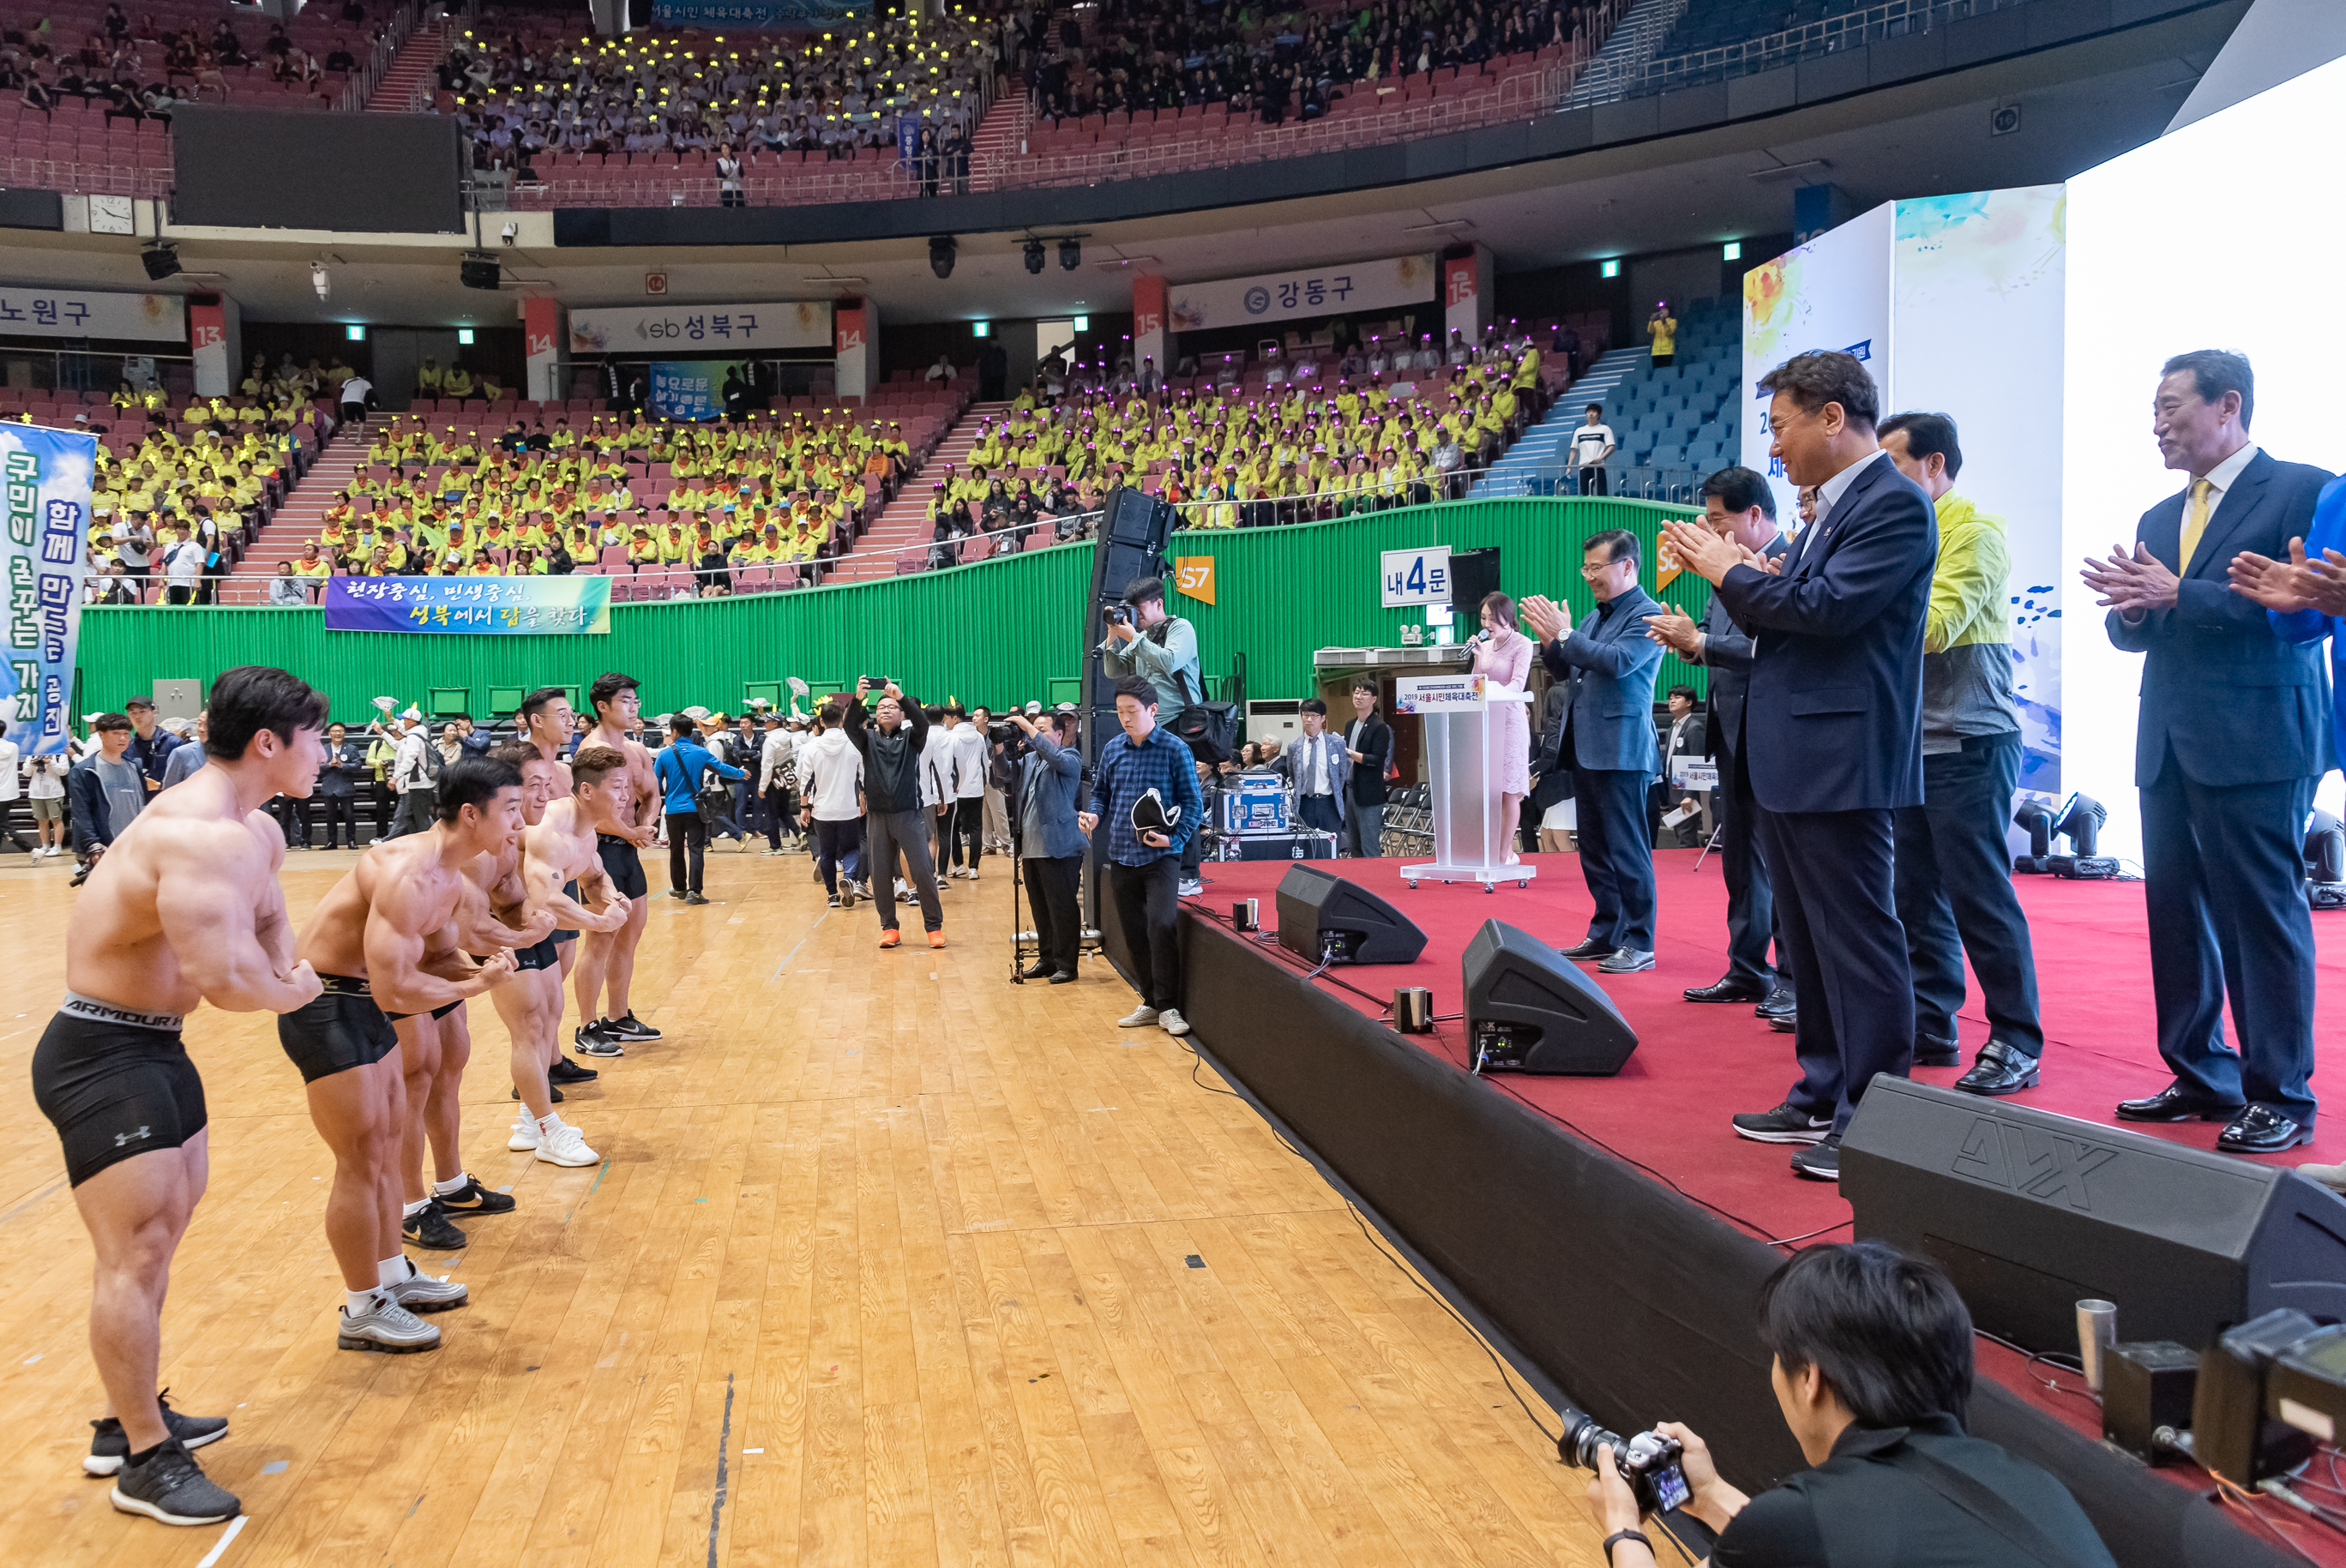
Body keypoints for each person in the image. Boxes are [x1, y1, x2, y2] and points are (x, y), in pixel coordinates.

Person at [32, 666, 327, 1527]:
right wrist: (293, 990)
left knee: (156, 1240)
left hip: (153, 1046)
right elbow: (228, 980)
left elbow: (267, 919)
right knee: (136, 1251)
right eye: (316, 735)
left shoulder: (253, 829)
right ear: (269, 742)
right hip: (101, 1052)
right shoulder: (202, 833)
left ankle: (127, 1421)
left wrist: (283, 961)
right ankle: (146, 1459)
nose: (326, 750)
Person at [1663, 350, 1937, 1181]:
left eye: (1780, 425)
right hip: (1798, 749)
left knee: (1857, 937)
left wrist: (1729, 570)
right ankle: (1823, 1086)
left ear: (1829, 416)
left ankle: (1875, 1113)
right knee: (1811, 940)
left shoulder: (1893, 505)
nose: (1774, 448)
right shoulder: (1830, 513)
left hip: (1843, 754)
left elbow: (1824, 611)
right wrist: (1748, 581)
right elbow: (1791, 618)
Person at [2080, 350, 2332, 1153]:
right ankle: (2201, 1070)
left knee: (2261, 916)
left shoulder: (2303, 488)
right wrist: (2127, 613)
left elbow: (2301, 609)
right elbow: (2148, 627)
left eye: (2169, 406)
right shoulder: (2160, 516)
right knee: (2176, 914)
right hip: (2169, 740)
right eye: (2153, 410)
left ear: (2228, 404)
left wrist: (2178, 594)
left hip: (2260, 737)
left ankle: (2281, 1092)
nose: (2157, 423)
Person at [1583, 1242, 2117, 1568]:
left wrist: (1622, 1528)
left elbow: (1802, 1536)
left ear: (1811, 1378)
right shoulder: (2036, 1485)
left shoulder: (1802, 1519)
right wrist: (1712, 1495)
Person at [280, 754, 520, 1357]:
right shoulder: (409, 872)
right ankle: (362, 1307)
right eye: (511, 810)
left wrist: (478, 967)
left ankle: (390, 1273)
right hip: (327, 1006)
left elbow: (437, 959)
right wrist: (474, 986)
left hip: (360, 1004)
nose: (519, 824)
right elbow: (395, 990)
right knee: (360, 1158)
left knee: (385, 1146)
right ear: (472, 813)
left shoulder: (450, 873)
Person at [1878, 411, 2045, 1096]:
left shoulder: (1974, 533)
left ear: (1935, 465)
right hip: (1912, 741)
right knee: (1914, 893)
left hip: (1971, 737)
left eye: (1892, 463)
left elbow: (1937, 627)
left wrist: (1856, 597)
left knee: (1978, 892)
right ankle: (1932, 1020)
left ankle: (2016, 1036)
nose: (1880, 477)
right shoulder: (1902, 531)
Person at [1645, 467, 1795, 1018]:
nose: (1709, 533)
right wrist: (1691, 646)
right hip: (1731, 729)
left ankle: (1791, 981)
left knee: (1783, 865)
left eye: (1717, 521)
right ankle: (1747, 969)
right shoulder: (1722, 571)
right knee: (1741, 861)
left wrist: (1702, 642)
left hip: (1775, 729)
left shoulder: (1789, 560)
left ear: (1755, 515)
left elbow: (1772, 650)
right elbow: (1720, 644)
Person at [1524, 531, 1667, 972]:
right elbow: (1566, 667)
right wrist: (1551, 641)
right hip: (1586, 747)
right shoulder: (1593, 617)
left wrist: (1565, 632)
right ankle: (1606, 932)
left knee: (1627, 849)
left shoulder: (1647, 613)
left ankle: (1640, 941)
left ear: (1627, 566)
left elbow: (1618, 662)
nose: (1588, 577)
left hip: (1622, 749)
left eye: (1596, 568)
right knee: (1595, 850)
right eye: (1585, 568)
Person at [488, 742, 627, 1169]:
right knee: (528, 1025)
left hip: (527, 923)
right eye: (534, 786)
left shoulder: (574, 828)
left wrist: (608, 896)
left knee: (549, 1014)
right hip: (501, 929)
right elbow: (549, 895)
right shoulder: (530, 832)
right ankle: (548, 1130)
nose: (546, 795)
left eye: (548, 784)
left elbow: (592, 872)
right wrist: (599, 922)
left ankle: (530, 1121)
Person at [1079, 677, 1204, 1037]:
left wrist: (1173, 838)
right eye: (1120, 712)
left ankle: (1169, 1006)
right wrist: (1094, 814)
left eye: (1132, 711)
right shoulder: (1114, 749)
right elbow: (1100, 793)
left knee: (1161, 925)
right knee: (1133, 932)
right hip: (1121, 855)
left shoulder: (1174, 749)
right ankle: (1150, 1002)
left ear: (1153, 710)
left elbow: (1194, 804)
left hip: (1160, 859)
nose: (1125, 718)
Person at [571, 671, 663, 1058]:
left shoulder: (637, 749)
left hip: (628, 848)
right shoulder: (589, 752)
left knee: (631, 932)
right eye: (625, 701)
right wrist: (630, 832)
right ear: (603, 707)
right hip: (600, 850)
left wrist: (647, 823)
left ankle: (618, 1016)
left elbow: (652, 792)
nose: (633, 707)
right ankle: (586, 1026)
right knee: (601, 937)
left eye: (635, 701)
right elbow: (588, 808)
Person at [843, 679, 944, 947]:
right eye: (881, 706)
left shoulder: (912, 738)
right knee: (880, 874)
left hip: (908, 814)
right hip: (877, 817)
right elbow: (848, 726)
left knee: (922, 870)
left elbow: (922, 722)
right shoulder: (867, 740)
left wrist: (901, 697)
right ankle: (889, 928)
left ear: (901, 714)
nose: (886, 709)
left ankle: (934, 927)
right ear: (875, 714)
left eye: (892, 706)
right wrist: (858, 698)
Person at [1010, 706, 1086, 982]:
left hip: (1059, 846)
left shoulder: (1070, 757)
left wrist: (1026, 726)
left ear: (1059, 733)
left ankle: (1068, 965)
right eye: (1034, 729)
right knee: (1040, 907)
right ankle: (1047, 958)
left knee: (1062, 906)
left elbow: (1054, 757)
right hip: (1030, 846)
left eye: (1041, 730)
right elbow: (1004, 776)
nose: (1034, 735)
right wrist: (997, 748)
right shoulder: (1030, 760)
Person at [1467, 591, 1537, 864]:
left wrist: (1494, 693)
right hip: (1487, 721)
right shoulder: (1483, 646)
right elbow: (1475, 686)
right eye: (1483, 618)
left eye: (1492, 619)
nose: (1486, 625)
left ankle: (1504, 850)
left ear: (1507, 618)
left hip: (1510, 721)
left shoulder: (1522, 643)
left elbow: (1517, 684)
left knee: (1509, 790)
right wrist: (1475, 657)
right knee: (1490, 790)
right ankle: (1488, 848)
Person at [653, 714, 742, 904]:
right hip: (695, 809)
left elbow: (654, 783)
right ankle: (695, 892)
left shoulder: (664, 754)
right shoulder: (700, 752)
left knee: (675, 849)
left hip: (672, 811)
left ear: (674, 731)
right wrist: (741, 773)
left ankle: (679, 888)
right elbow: (721, 769)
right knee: (696, 850)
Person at [798, 699, 866, 907]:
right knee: (852, 848)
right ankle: (849, 877)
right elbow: (862, 777)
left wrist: (804, 807)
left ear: (821, 721)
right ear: (842, 720)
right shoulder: (854, 744)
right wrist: (863, 800)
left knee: (827, 853)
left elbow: (806, 780)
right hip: (848, 809)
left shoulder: (811, 747)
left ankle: (832, 895)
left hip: (822, 811)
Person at [1278, 699, 1350, 837]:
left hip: (1329, 803)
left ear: (1323, 718)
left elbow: (1341, 774)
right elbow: (1293, 774)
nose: (1309, 719)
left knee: (1330, 847)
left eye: (1314, 716)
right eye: (1306, 715)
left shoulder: (1336, 744)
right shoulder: (1294, 746)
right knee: (1306, 847)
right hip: (1305, 803)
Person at [1341, 679, 1391, 858]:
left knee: (1369, 845)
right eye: (1356, 692)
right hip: (1350, 790)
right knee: (1354, 845)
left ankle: (1376, 882)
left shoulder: (1379, 727)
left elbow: (1377, 759)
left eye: (1364, 694)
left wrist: (1348, 752)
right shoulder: (1350, 724)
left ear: (1374, 698)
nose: (1358, 697)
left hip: (1369, 794)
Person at [1656, 685, 1709, 845]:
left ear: (1689, 703)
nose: (1672, 700)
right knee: (1679, 834)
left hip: (1685, 791)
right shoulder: (1673, 729)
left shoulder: (1694, 728)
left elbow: (1696, 763)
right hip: (1673, 789)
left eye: (1677, 697)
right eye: (1671, 697)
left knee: (1686, 837)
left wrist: (1690, 795)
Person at [944, 702, 990, 877]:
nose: (945, 721)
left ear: (955, 718)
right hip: (976, 789)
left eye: (947, 718)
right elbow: (985, 763)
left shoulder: (951, 737)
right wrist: (983, 784)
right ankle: (973, 869)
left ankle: (958, 864)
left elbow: (948, 764)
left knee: (953, 827)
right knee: (976, 828)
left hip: (956, 791)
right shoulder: (978, 736)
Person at [314, 721, 365, 849]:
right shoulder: (323, 749)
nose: (338, 733)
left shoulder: (351, 748)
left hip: (345, 787)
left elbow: (358, 765)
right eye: (335, 731)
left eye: (340, 731)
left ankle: (351, 841)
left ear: (344, 733)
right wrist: (329, 765)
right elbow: (316, 767)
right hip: (328, 787)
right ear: (329, 733)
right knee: (330, 817)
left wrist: (343, 765)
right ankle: (332, 842)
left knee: (349, 816)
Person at [1569, 404, 1615, 496]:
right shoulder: (1579, 431)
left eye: (1594, 412)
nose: (1591, 414)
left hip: (1599, 466)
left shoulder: (1605, 429)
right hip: (1584, 466)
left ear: (1599, 415)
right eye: (1589, 412)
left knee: (1601, 494)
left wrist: (1601, 458)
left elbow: (1611, 447)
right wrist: (1569, 466)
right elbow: (1574, 450)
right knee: (1585, 494)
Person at [1645, 301, 1677, 367]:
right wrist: (1651, 320)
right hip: (1656, 352)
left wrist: (1664, 322)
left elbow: (1669, 332)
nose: (1663, 312)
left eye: (1665, 310)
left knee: (1666, 370)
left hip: (1668, 351)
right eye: (1662, 310)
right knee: (1657, 371)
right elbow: (1650, 330)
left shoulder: (1673, 321)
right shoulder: (1656, 323)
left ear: (1669, 312)